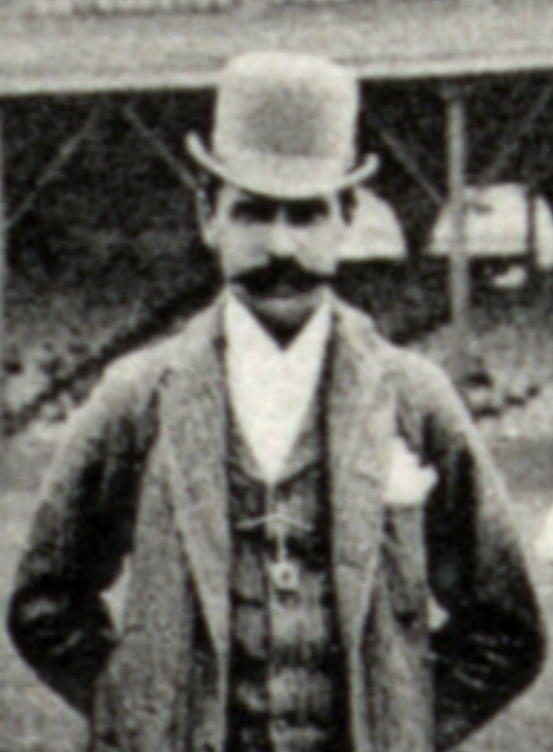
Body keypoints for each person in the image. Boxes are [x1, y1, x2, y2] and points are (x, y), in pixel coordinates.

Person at [8, 52, 544, 752]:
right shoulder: (136, 397)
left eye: (307, 214)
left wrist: (403, 722)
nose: (281, 245)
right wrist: (137, 713)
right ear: (210, 217)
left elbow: (506, 627)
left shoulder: (415, 397)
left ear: (346, 218)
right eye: (254, 213)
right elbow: (45, 604)